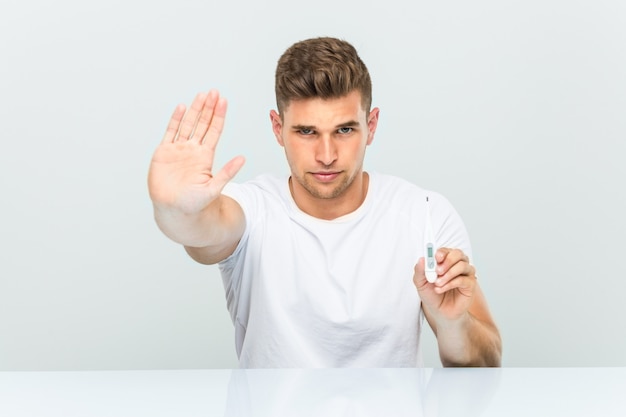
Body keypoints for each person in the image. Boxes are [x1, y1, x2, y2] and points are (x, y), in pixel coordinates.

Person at [148, 37, 502, 368]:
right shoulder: (252, 210)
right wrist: (175, 208)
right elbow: (199, 232)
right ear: (277, 128)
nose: (327, 155)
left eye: (345, 130)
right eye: (306, 132)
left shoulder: (424, 213)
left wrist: (452, 323)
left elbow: (487, 362)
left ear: (372, 125)